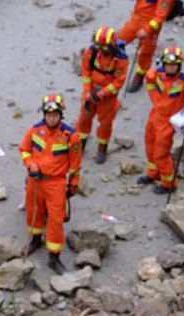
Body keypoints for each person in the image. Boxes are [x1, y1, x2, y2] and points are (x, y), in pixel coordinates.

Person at [20, 95, 83, 274]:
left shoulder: (71, 136)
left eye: (55, 115)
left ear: (61, 115)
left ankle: (54, 257)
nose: (51, 118)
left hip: (56, 183)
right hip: (35, 180)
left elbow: (75, 164)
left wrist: (73, 184)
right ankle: (35, 240)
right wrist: (30, 164)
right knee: (34, 211)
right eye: (48, 115)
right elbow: (24, 150)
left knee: (56, 220)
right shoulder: (34, 130)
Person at [140, 46, 184, 194]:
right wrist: (154, 95)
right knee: (149, 146)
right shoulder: (159, 74)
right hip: (155, 116)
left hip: (168, 123)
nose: (170, 68)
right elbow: (149, 78)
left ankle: (169, 184)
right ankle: (153, 173)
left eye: (174, 65)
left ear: (179, 65)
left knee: (161, 154)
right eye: (168, 65)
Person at [77, 27, 129, 164]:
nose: (102, 49)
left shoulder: (121, 59)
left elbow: (118, 82)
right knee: (84, 118)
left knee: (105, 123)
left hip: (108, 97)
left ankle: (102, 148)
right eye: (100, 46)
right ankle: (79, 145)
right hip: (92, 90)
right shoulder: (92, 52)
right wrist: (87, 91)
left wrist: (102, 93)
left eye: (105, 47)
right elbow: (86, 71)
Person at [120, 0, 177, 94]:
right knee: (119, 40)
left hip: (150, 26)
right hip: (136, 19)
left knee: (146, 53)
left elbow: (160, 18)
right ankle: (112, 65)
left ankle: (140, 75)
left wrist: (147, 30)